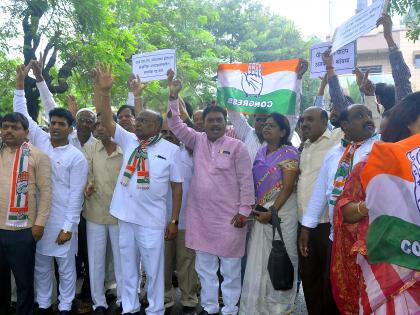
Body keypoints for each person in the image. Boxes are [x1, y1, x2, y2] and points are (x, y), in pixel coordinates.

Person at [93, 63, 183, 315]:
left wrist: (174, 220)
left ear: (157, 126)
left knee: (154, 269)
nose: (137, 122)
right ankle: (129, 308)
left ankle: (155, 310)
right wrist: (104, 91)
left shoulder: (171, 150)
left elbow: (177, 188)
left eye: (142, 120)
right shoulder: (130, 140)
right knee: (127, 267)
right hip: (126, 217)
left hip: (152, 221)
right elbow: (107, 120)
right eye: (136, 119)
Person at [166, 71, 254, 315]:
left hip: (230, 219)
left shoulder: (238, 147)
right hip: (201, 218)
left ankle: (229, 308)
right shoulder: (197, 141)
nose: (214, 124)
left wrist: (244, 211)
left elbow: (246, 182)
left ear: (225, 123)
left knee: (230, 268)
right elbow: (174, 124)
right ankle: (210, 306)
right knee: (204, 267)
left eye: (219, 120)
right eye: (210, 120)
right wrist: (173, 96)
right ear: (203, 123)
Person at [331, 92, 420, 314]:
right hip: (390, 265)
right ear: (409, 123)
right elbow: (345, 210)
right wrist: (373, 203)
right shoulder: (374, 163)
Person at [13, 64, 88, 314]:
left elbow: (77, 195)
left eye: (61, 124)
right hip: (38, 218)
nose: (55, 127)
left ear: (70, 128)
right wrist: (21, 85)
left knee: (66, 267)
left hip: (63, 221)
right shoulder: (41, 141)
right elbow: (21, 114)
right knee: (41, 265)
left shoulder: (76, 157)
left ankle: (65, 305)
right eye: (53, 122)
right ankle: (44, 304)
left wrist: (68, 227)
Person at [299, 104, 381, 314]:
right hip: (337, 239)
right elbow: (321, 192)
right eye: (360, 116)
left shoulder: (380, 147)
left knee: (368, 295)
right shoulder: (334, 153)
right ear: (345, 125)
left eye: (369, 115)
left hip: (370, 237)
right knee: (335, 295)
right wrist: (307, 227)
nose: (368, 119)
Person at [239, 113, 299, 314]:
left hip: (282, 211)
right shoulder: (260, 152)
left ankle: (280, 307)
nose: (266, 128)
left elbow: (288, 187)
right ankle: (258, 307)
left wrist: (272, 213)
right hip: (261, 212)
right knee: (260, 259)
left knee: (281, 254)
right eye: (264, 125)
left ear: (283, 131)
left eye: (272, 126)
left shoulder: (289, 152)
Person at [0, 112, 52, 315]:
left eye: (15, 127)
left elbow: (46, 193)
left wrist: (39, 224)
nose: (9, 131)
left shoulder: (37, 156)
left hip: (22, 230)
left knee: (24, 282)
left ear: (26, 132)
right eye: (5, 127)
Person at [83, 113, 123, 314]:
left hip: (120, 215)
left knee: (122, 259)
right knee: (96, 260)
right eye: (96, 125)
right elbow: (87, 174)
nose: (99, 128)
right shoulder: (89, 148)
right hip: (95, 213)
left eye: (103, 123)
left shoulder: (125, 147)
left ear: (113, 125)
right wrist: (88, 186)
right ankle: (99, 302)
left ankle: (125, 299)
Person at [296, 106, 335, 315]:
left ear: (325, 120)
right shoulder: (304, 147)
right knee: (309, 277)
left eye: (310, 119)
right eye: (302, 120)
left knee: (329, 278)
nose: (304, 124)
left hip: (326, 224)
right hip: (304, 225)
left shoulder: (337, 139)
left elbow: (368, 126)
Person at [160, 120, 199, 315]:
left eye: (172, 131)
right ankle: (165, 299)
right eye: (163, 132)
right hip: (159, 221)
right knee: (162, 263)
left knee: (187, 262)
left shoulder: (191, 155)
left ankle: (189, 299)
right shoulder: (155, 154)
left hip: (186, 219)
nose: (168, 135)